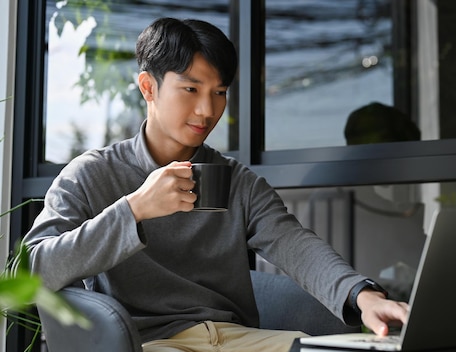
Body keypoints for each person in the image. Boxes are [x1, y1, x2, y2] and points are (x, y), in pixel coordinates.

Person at [23, 17, 408, 352]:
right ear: (148, 87)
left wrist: (363, 295)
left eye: (219, 93)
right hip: (148, 344)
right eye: (191, 90)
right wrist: (134, 209)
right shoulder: (92, 174)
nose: (207, 111)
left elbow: (295, 245)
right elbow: (25, 275)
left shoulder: (237, 182)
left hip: (239, 339)